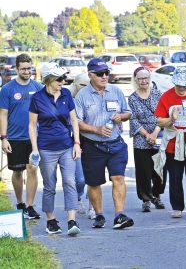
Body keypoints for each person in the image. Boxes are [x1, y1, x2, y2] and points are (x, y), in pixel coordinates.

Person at [75, 58, 134, 229]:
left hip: (115, 144)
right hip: (92, 146)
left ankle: (119, 215)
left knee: (118, 178)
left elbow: (127, 112)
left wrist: (120, 116)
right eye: (100, 74)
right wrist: (96, 129)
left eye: (107, 73)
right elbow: (77, 122)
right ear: (90, 75)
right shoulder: (82, 96)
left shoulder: (115, 91)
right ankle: (99, 215)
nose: (104, 76)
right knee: (94, 183)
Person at [29, 63, 82, 235]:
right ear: (49, 79)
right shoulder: (37, 98)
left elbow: (74, 120)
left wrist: (77, 143)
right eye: (59, 79)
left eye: (64, 78)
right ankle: (51, 221)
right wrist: (35, 149)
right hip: (46, 148)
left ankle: (71, 221)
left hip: (67, 146)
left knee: (70, 182)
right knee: (50, 185)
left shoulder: (66, 93)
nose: (63, 81)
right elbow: (32, 125)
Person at [153, 67, 186, 220]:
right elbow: (158, 120)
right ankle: (177, 206)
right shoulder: (166, 97)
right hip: (173, 142)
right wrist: (172, 119)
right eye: (179, 85)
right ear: (174, 83)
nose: (182, 89)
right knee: (175, 176)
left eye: (184, 86)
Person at [0, 53, 43, 220]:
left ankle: (30, 206)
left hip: (33, 138)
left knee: (32, 169)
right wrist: (3, 138)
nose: (27, 71)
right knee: (17, 172)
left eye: (29, 68)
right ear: (17, 69)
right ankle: (20, 203)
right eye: (23, 69)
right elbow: (2, 114)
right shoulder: (8, 89)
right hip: (14, 138)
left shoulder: (38, 87)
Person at [128, 67, 166, 212]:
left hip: (159, 134)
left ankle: (157, 195)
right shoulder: (132, 98)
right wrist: (146, 135)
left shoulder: (158, 94)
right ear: (136, 80)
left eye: (146, 78)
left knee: (160, 169)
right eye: (140, 78)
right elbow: (133, 120)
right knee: (143, 171)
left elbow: (162, 115)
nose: (144, 81)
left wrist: (155, 133)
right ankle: (145, 199)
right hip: (141, 137)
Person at [69, 73, 92, 217]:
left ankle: (93, 207)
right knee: (80, 178)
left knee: (93, 177)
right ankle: (78, 196)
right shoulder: (67, 98)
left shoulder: (92, 97)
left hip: (91, 141)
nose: (86, 88)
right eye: (83, 85)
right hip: (73, 142)